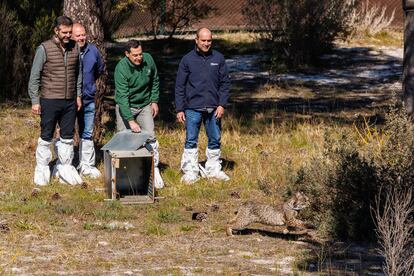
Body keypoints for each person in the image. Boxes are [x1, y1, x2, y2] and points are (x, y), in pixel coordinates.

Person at [28, 15, 83, 186]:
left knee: (67, 137)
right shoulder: (44, 48)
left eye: (70, 32)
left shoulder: (76, 48)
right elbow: (34, 77)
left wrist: (78, 95)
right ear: (56, 30)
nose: (68, 35)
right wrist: (35, 100)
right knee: (46, 136)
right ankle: (42, 169)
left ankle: (64, 168)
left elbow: (78, 74)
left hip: (69, 101)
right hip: (50, 100)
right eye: (64, 32)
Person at [175, 28, 231, 184]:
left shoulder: (218, 58)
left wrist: (222, 104)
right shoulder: (187, 60)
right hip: (192, 108)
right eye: (203, 40)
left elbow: (225, 84)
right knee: (191, 140)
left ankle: (214, 169)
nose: (206, 43)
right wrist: (180, 108)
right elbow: (180, 86)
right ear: (196, 40)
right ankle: (191, 171)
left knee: (215, 139)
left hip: (214, 108)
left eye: (209, 40)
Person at [114, 39, 164, 189]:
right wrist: (130, 120)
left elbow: (155, 80)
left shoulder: (148, 60)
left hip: (144, 105)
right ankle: (124, 172)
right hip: (126, 105)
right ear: (127, 54)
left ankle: (153, 169)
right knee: (123, 136)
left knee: (150, 135)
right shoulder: (121, 68)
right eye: (135, 55)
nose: (138, 58)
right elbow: (122, 98)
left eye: (140, 54)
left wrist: (154, 100)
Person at [72, 22, 104, 178]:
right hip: (70, 100)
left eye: (83, 34)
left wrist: (89, 85)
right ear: (71, 36)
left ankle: (87, 165)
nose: (81, 38)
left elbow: (99, 69)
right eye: (77, 35)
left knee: (87, 132)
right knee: (66, 132)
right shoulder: (69, 50)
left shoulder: (93, 51)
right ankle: (68, 164)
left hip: (88, 98)